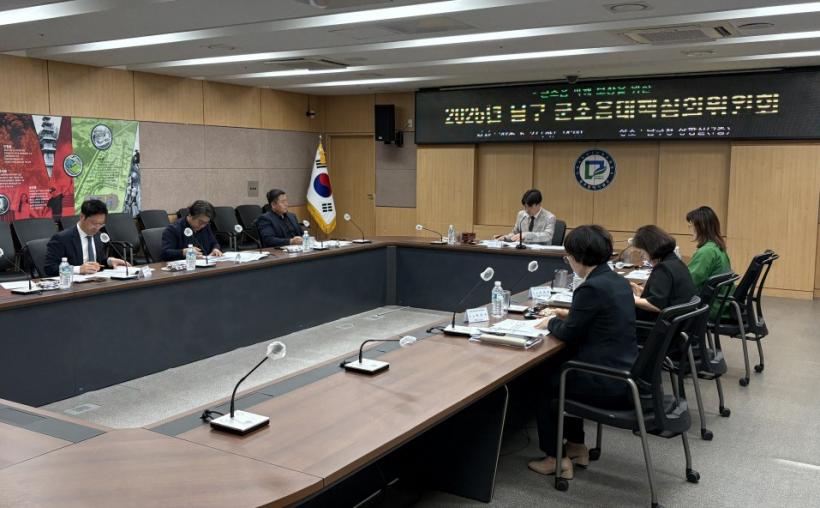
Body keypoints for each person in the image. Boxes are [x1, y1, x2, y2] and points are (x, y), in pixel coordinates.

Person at [529, 225, 637, 480]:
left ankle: (555, 458)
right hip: (623, 369)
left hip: (604, 378)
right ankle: (577, 447)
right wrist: (566, 315)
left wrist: (550, 322)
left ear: (577, 256)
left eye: (568, 257)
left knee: (543, 381)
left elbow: (569, 334)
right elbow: (597, 319)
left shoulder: (591, 288)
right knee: (562, 370)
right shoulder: (617, 281)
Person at [44, 199, 129, 276]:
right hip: (74, 284)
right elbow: (50, 268)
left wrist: (109, 261)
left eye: (100, 224)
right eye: (94, 223)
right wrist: (78, 269)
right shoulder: (62, 239)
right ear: (82, 217)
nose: (97, 228)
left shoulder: (98, 236)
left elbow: (99, 261)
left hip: (96, 282)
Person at [631, 225, 696, 323]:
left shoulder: (663, 268)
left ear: (649, 248)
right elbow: (667, 294)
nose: (641, 256)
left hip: (661, 326)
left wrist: (631, 298)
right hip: (680, 322)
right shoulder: (676, 262)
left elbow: (656, 305)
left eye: (641, 252)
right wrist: (643, 292)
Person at [686, 206, 733, 318]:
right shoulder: (717, 247)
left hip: (708, 306)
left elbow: (688, 283)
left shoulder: (706, 252)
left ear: (701, 227)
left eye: (691, 225)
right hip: (720, 303)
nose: (690, 229)